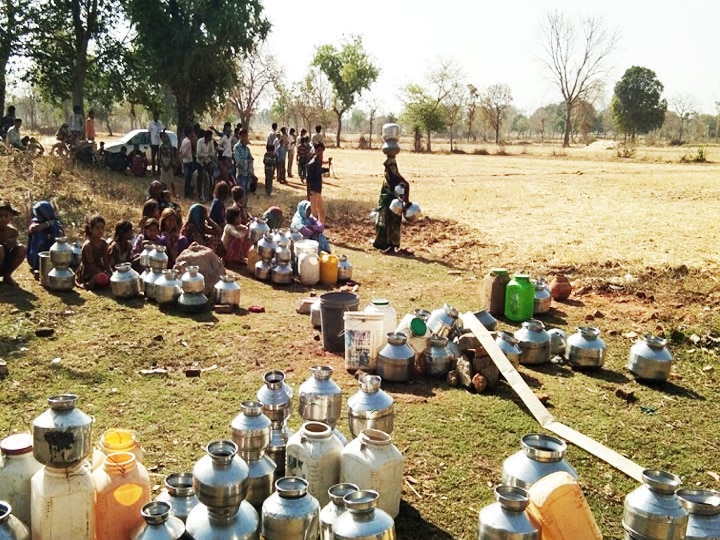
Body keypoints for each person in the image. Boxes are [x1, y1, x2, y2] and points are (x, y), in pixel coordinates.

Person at [373, 157, 411, 254]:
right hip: (384, 206)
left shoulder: (398, 179)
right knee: (382, 224)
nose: (386, 171)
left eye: (388, 168)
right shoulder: (386, 179)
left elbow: (406, 186)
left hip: (395, 208)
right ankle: (382, 244)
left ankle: (392, 246)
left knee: (393, 227)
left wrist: (406, 201)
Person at [27, 201, 65, 274]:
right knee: (38, 237)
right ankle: (37, 265)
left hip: (51, 248)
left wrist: (51, 236)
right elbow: (34, 229)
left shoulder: (55, 223)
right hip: (38, 250)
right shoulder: (35, 221)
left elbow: (60, 236)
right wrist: (48, 224)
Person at [75, 215, 111, 290]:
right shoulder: (88, 245)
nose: (100, 231)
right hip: (89, 273)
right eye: (97, 228)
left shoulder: (104, 244)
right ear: (91, 229)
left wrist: (110, 273)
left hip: (99, 270)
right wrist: (102, 273)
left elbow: (106, 262)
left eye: (102, 228)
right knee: (102, 277)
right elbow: (90, 266)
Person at [0, 200, 26, 286]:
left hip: (4, 261)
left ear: (10, 218)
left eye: (6, 216)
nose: (3, 218)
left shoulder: (13, 232)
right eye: (0, 216)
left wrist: (12, 245)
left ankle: (7, 276)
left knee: (22, 248)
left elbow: (10, 248)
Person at [233, 128, 257, 205]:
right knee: (241, 194)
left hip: (247, 174)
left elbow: (251, 159)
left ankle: (244, 210)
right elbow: (238, 161)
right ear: (239, 136)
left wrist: (252, 173)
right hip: (241, 174)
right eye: (243, 136)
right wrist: (247, 161)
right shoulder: (237, 147)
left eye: (246, 136)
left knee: (246, 193)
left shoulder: (247, 149)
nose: (244, 138)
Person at [306, 142, 326, 224]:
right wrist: (309, 193)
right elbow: (308, 180)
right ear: (315, 151)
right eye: (318, 150)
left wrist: (326, 169)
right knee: (314, 214)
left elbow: (318, 172)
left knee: (322, 211)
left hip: (318, 190)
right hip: (314, 191)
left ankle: (321, 229)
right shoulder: (312, 163)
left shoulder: (318, 162)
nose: (320, 152)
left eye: (321, 150)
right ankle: (313, 232)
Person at [196, 129, 215, 201]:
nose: (211, 138)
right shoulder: (200, 141)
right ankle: (200, 195)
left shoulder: (211, 142)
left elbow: (212, 153)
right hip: (200, 162)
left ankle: (210, 194)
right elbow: (198, 153)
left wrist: (206, 156)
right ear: (207, 137)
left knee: (211, 177)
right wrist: (206, 155)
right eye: (210, 137)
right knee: (200, 178)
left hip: (208, 161)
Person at [179, 126, 194, 198]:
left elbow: (180, 150)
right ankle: (187, 193)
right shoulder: (188, 141)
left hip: (186, 161)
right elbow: (184, 152)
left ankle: (187, 193)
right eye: (191, 133)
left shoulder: (184, 140)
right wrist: (184, 156)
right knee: (188, 178)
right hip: (188, 161)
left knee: (188, 177)